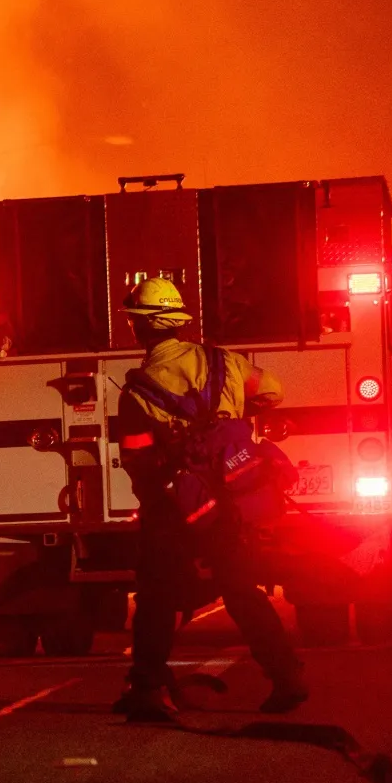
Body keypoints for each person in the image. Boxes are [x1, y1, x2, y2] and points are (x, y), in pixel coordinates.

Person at [112, 278, 308, 723]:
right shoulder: (224, 362)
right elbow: (273, 390)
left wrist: (162, 503)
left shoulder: (139, 389)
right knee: (241, 591)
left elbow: (138, 461)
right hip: (235, 494)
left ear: (140, 328)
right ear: (178, 322)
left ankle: (145, 690)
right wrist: (228, 423)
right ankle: (287, 676)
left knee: (157, 598)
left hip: (178, 506)